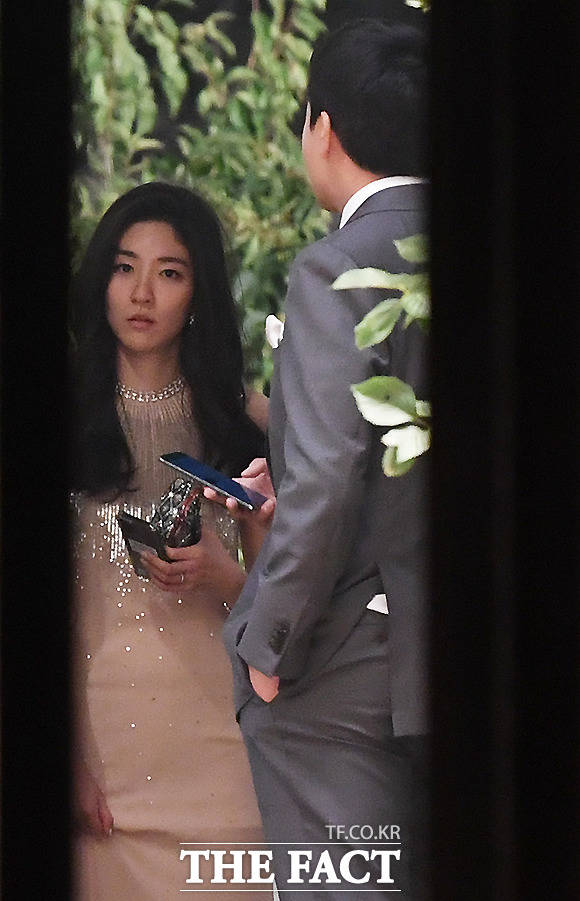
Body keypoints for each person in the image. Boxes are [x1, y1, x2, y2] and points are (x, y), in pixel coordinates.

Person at [218, 20, 431, 899]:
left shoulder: (340, 266)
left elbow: (331, 476)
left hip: (351, 668)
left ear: (324, 128)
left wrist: (269, 646)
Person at [69, 181, 271, 899]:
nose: (142, 293)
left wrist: (221, 575)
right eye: (125, 267)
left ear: (198, 293)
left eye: (170, 272)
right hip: (101, 759)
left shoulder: (247, 423)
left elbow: (282, 619)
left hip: (224, 759)